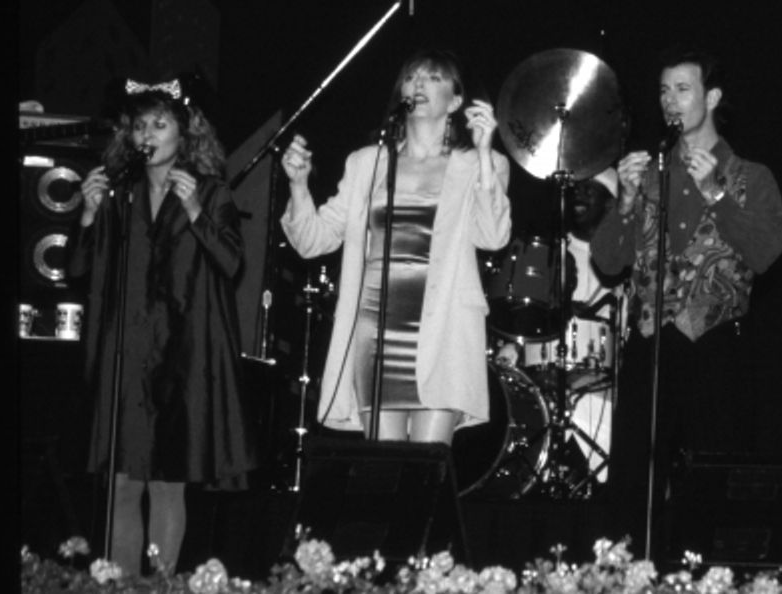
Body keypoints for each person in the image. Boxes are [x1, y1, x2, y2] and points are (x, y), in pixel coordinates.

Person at [589, 47, 782, 552]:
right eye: (663, 90)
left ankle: (712, 578)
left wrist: (717, 196)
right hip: (650, 345)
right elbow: (608, 262)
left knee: (712, 478)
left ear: (712, 97)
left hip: (716, 346)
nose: (669, 101)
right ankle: (625, 579)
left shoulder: (752, 176)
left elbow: (766, 252)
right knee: (634, 477)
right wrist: (627, 203)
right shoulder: (648, 173)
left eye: (682, 89)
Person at [68, 75, 256, 575]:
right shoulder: (116, 193)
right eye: (138, 125)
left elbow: (232, 264)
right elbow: (77, 271)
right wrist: (86, 215)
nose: (146, 134)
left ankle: (162, 586)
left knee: (168, 481)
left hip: (182, 354)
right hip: (126, 353)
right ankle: (120, 585)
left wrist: (195, 210)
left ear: (184, 132)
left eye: (159, 123)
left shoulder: (211, 192)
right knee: (123, 481)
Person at [280, 49, 511, 444]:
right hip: (376, 330)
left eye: (433, 78)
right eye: (412, 77)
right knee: (383, 477)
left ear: (456, 102)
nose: (419, 84)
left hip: (444, 330)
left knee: (427, 473)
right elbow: (312, 241)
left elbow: (492, 236)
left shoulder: (478, 165)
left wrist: (486, 152)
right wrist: (299, 186)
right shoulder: (366, 163)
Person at [493, 169, 625, 485]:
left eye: (589, 190)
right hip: (544, 374)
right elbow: (523, 312)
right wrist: (513, 345)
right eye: (575, 189)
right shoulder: (550, 251)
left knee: (602, 455)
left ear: (610, 204)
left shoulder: (623, 256)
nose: (578, 194)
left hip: (600, 382)